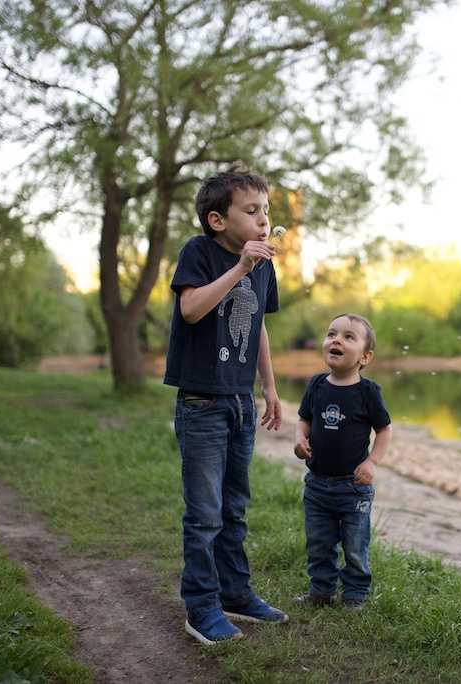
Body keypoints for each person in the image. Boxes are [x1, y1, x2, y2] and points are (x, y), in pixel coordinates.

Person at [164, 163, 287, 645]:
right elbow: (191, 309)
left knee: (235, 508)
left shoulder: (264, 265)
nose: (262, 220)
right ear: (219, 220)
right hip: (202, 403)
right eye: (251, 211)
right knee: (205, 514)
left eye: (266, 211)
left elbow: (257, 326)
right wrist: (241, 268)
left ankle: (235, 594)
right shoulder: (200, 253)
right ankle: (201, 606)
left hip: (239, 402)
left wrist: (270, 388)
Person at [294, 313, 393, 609]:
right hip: (317, 486)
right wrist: (300, 439)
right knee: (319, 544)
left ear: (365, 356)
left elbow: (385, 429)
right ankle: (321, 592)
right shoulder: (316, 385)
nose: (336, 339)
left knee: (355, 545)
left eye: (349, 337)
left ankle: (355, 595)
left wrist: (372, 462)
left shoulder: (368, 392)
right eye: (331, 334)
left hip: (353, 488)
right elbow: (304, 419)